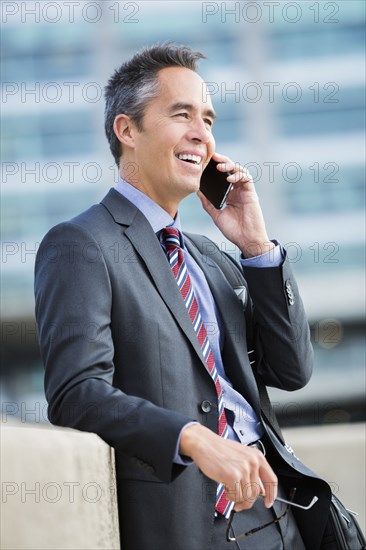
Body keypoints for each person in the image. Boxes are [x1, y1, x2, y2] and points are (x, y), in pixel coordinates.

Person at [35, 43, 331, 550]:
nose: (202, 133)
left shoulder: (210, 257)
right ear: (127, 130)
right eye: (182, 114)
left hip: (283, 519)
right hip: (194, 530)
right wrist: (192, 437)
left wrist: (256, 247)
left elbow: (291, 370)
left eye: (209, 120)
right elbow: (77, 392)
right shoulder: (80, 245)